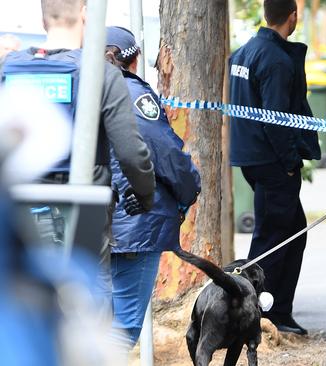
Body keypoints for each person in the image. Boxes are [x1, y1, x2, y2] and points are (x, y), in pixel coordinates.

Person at [0, 0, 155, 313]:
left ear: (44, 21)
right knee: (86, 303)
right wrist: (144, 194)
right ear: (86, 15)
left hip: (19, 207)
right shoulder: (100, 73)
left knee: (21, 302)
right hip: (82, 211)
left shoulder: (8, 69)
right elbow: (130, 151)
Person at [103, 26, 202, 349]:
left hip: (92, 221)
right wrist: (190, 191)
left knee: (96, 319)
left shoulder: (82, 89)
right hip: (135, 225)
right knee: (125, 325)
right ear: (135, 60)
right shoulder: (132, 94)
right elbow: (165, 153)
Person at [229, 0, 320, 335]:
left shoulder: (242, 54)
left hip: (251, 157)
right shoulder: (276, 59)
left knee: (291, 232)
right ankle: (260, 316)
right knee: (273, 240)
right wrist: (291, 163)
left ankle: (277, 309)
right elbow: (277, 120)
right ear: (292, 16)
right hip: (272, 161)